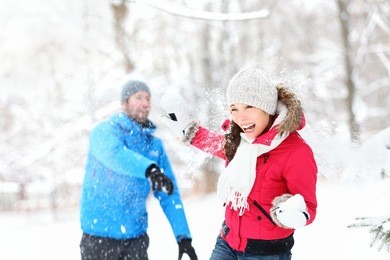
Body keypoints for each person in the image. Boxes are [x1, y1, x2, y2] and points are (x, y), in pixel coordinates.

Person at [164, 68, 317, 259]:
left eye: (248, 107)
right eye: (234, 108)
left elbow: (308, 206)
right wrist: (189, 131)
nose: (240, 117)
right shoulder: (239, 140)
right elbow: (216, 144)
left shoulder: (296, 151)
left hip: (266, 254)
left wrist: (294, 213)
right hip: (227, 242)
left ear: (267, 107)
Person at [79, 80, 198, 260]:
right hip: (99, 238)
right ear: (124, 103)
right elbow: (115, 155)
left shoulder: (154, 146)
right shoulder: (103, 132)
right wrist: (149, 169)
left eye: (148, 98)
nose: (145, 103)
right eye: (138, 97)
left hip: (136, 239)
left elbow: (169, 192)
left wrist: (183, 237)